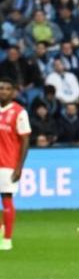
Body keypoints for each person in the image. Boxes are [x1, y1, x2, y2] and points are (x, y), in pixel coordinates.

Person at [0, 78, 31, 251]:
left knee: (6, 199)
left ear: (13, 92)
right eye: (1, 88)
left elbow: (25, 140)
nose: (3, 91)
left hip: (8, 164)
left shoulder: (19, 112)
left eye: (6, 88)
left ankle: (7, 239)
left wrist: (19, 166)